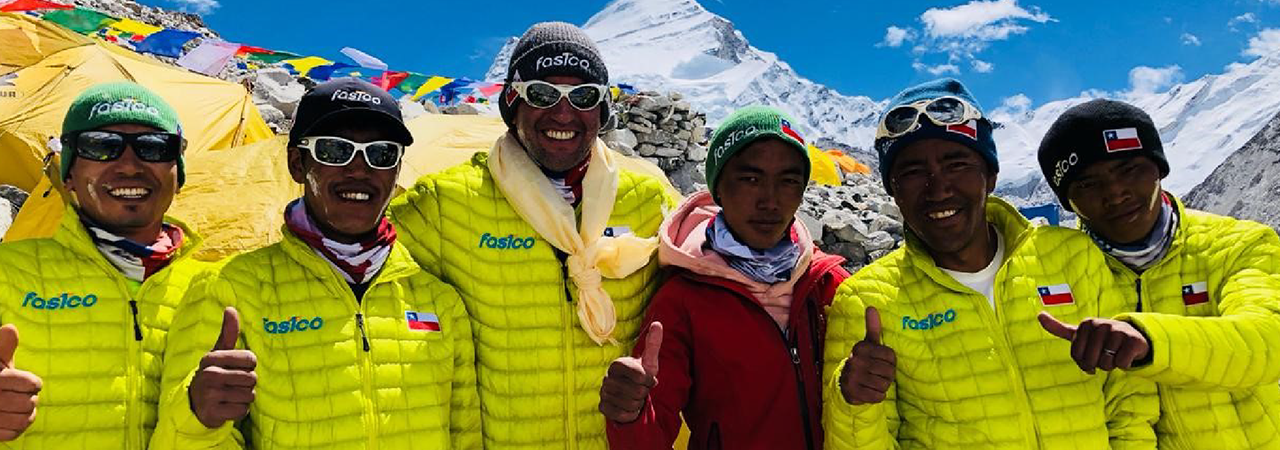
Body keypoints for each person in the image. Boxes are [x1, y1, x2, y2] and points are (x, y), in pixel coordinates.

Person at [822, 78, 1159, 449]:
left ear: (991, 177)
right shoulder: (866, 300)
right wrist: (852, 402)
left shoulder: (1072, 256)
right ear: (893, 190)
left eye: (957, 164)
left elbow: (1130, 401)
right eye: (913, 172)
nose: (939, 189)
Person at [388, 21, 678, 449]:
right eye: (542, 94)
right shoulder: (445, 203)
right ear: (512, 101)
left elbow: (717, 277)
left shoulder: (649, 202)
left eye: (583, 96)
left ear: (602, 111)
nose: (563, 113)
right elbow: (357, 275)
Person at [150, 78, 480, 449]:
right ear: (297, 164)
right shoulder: (231, 289)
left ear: (396, 170)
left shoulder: (439, 301)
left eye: (382, 153)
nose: (360, 169)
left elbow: (464, 437)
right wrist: (196, 419)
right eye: (335, 150)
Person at [599, 106, 850, 450]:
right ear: (718, 188)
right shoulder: (684, 300)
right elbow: (651, 435)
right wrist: (631, 415)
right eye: (750, 179)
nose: (770, 201)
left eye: (789, 181)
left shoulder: (827, 284)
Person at [1036, 98, 1280, 450]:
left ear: (1159, 169)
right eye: (1087, 184)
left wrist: (1149, 340)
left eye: (1129, 169)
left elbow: (1267, 342)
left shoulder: (1238, 244)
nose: (1114, 193)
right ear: (1069, 202)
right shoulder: (1059, 273)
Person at [0, 81, 207, 448]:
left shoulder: (219, 288)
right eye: (100, 146)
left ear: (178, 174)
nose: (128, 165)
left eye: (154, 147)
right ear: (68, 175)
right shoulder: (7, 273)